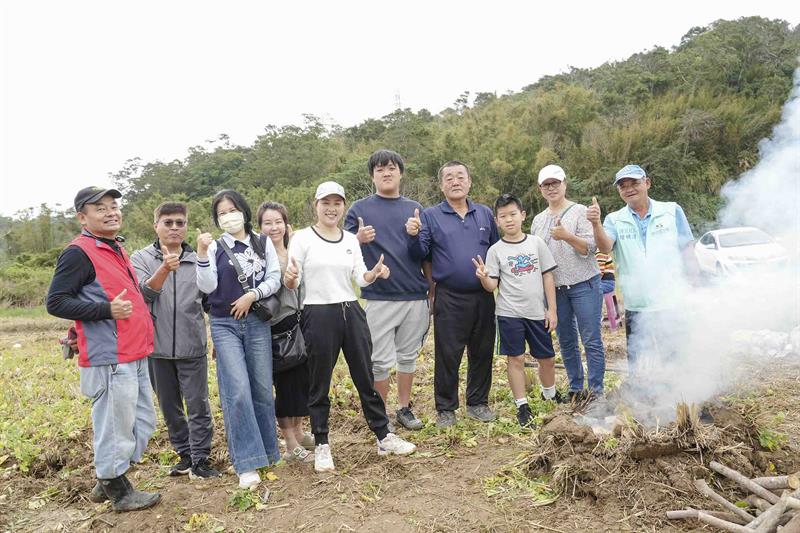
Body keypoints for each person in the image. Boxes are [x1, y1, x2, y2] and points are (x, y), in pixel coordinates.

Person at [284, 181, 417, 473]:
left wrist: (375, 273)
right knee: (319, 382)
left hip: (351, 311)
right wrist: (291, 277)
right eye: (325, 203)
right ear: (315, 205)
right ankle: (321, 444)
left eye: (337, 203)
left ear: (343, 206)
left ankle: (383, 436)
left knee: (365, 377)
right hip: (317, 313)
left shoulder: (349, 240)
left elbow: (360, 277)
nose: (331, 209)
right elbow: (293, 281)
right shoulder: (302, 239)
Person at [46, 186, 160, 511]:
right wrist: (106, 311)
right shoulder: (78, 252)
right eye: (100, 208)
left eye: (114, 206)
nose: (111, 212)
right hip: (109, 354)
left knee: (142, 420)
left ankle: (106, 476)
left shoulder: (114, 247)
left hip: (134, 349)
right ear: (82, 217)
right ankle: (117, 488)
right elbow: (56, 301)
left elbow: (99, 293)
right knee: (114, 422)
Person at [196, 190, 281, 489]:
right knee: (238, 391)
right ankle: (246, 462)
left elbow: (275, 278)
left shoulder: (262, 242)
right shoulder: (216, 247)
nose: (228, 216)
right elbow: (207, 286)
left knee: (260, 388)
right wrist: (202, 255)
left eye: (232, 209)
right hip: (225, 324)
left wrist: (252, 295)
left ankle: (268, 452)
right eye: (221, 213)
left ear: (243, 211)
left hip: (257, 321)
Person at [406, 161, 499, 428]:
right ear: (441, 185)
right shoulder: (430, 215)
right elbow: (419, 253)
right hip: (449, 295)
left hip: (483, 294)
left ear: (469, 182)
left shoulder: (483, 214)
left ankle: (478, 403)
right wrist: (412, 236)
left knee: (482, 351)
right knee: (448, 353)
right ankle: (446, 408)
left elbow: (495, 251)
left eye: (461, 176)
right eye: (449, 178)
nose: (455, 181)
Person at [130, 202, 219, 480]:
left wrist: (217, 336)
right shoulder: (141, 258)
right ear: (155, 225)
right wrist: (165, 269)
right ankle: (185, 455)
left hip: (192, 346)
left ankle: (201, 458)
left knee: (198, 404)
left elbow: (210, 302)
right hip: (156, 347)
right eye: (167, 222)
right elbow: (144, 295)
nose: (174, 228)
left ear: (186, 226)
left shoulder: (200, 258)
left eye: (180, 223)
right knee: (170, 407)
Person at [343, 149, 430, 431]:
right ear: (372, 176)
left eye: (391, 168)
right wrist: (358, 238)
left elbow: (423, 253)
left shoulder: (414, 209)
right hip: (379, 297)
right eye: (380, 169)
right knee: (379, 361)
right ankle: (380, 417)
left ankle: (404, 408)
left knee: (407, 357)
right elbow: (341, 247)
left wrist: (416, 235)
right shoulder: (359, 209)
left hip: (414, 296)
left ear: (400, 173)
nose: (386, 173)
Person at [586, 164, 697, 366]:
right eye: (623, 186)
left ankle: (679, 394)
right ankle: (641, 396)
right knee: (640, 362)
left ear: (647, 183)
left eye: (634, 183)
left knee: (675, 356)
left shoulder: (671, 211)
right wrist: (596, 224)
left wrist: (693, 286)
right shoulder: (614, 219)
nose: (629, 189)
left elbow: (687, 250)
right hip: (636, 303)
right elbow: (604, 247)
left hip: (671, 300)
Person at [473, 194, 559, 427]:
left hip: (537, 312)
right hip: (509, 312)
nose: (509, 220)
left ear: (522, 215)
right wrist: (483, 277)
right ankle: (522, 405)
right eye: (503, 216)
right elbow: (492, 285)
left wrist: (552, 310)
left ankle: (549, 393)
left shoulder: (536, 243)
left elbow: (548, 276)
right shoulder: (495, 250)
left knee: (547, 358)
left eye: (513, 214)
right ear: (496, 221)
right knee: (516, 358)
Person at [531, 164, 605, 402]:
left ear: (565, 184)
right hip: (556, 290)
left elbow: (590, 248)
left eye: (555, 183)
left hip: (584, 284)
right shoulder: (538, 220)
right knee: (566, 340)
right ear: (540, 189)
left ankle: (596, 391)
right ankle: (575, 388)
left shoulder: (580, 211)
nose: (551, 188)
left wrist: (568, 236)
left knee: (591, 338)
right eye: (546, 185)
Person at [256, 201, 315, 463]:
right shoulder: (259, 258)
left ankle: (300, 432)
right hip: (277, 327)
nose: (273, 227)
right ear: (259, 227)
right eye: (267, 223)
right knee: (286, 385)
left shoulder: (295, 249)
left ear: (286, 224)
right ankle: (290, 443)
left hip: (300, 321)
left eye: (278, 221)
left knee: (302, 382)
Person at [595, 251, 621, 319]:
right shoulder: (598, 254)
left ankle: (597, 316)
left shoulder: (601, 253)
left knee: (589, 291)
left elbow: (600, 273)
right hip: (605, 282)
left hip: (606, 283)